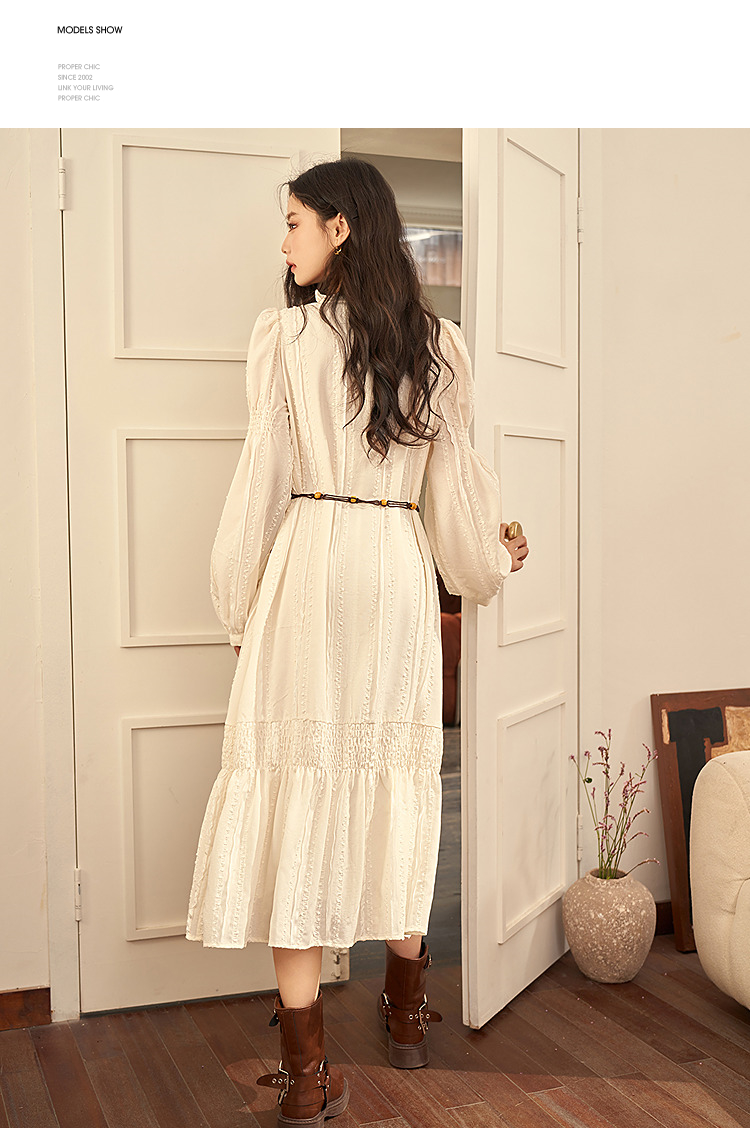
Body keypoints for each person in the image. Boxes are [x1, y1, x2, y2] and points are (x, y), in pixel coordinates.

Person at [185, 156, 529, 1125]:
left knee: (298, 792)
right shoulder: (439, 345)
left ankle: (305, 1076)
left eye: (294, 222)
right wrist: (491, 560)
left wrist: (237, 604)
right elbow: (454, 493)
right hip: (394, 570)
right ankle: (406, 1017)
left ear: (341, 227)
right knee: (398, 786)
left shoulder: (285, 340)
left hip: (308, 566)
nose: (283, 241)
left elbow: (260, 484)